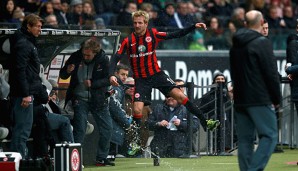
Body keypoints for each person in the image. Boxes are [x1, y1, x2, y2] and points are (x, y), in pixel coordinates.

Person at [109, 10, 219, 133]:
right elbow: (115, 58)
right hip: (141, 79)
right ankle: (135, 141)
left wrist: (193, 26)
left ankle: (206, 122)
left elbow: (175, 34)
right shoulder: (128, 41)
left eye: (140, 23)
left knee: (181, 96)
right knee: (137, 110)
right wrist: (111, 75)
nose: (137, 25)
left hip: (157, 75)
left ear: (146, 23)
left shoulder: (153, 34)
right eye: (135, 23)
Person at [230, 10, 281, 171]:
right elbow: (271, 73)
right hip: (259, 98)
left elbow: (234, 73)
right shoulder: (262, 42)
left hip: (240, 99)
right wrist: (276, 98)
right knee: (270, 135)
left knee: (245, 140)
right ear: (261, 23)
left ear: (245, 24)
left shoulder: (235, 45)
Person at [59, 38, 114, 166]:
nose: (85, 56)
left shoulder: (104, 59)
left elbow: (108, 80)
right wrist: (67, 71)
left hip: (98, 99)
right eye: (84, 54)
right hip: (80, 98)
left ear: (95, 53)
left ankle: (101, 157)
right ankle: (75, 160)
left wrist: (93, 84)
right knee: (80, 128)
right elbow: (63, 75)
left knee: (107, 128)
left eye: (88, 55)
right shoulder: (75, 57)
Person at [8, 14, 43, 157]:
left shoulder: (24, 41)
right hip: (23, 94)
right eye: (38, 26)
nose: (40, 30)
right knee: (22, 129)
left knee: (21, 128)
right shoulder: (24, 44)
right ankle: (19, 161)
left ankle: (16, 160)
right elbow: (20, 71)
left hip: (22, 92)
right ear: (28, 26)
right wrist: (26, 94)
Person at [148, 79, 199, 157]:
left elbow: (195, 126)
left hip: (181, 147)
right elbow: (148, 124)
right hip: (161, 146)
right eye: (168, 96)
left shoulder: (189, 107)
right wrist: (158, 123)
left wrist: (181, 124)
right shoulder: (158, 108)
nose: (170, 98)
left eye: (181, 87)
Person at [199, 72, 233, 153]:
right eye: (218, 79)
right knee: (215, 148)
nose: (220, 81)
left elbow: (231, 112)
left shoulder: (228, 95)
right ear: (213, 82)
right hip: (214, 125)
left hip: (227, 126)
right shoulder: (207, 96)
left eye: (222, 79)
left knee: (227, 148)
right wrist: (207, 123)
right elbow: (201, 111)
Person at [108, 64, 132, 159]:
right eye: (122, 74)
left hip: (113, 127)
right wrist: (126, 122)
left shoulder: (119, 88)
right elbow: (115, 108)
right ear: (116, 73)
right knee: (110, 155)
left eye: (126, 75)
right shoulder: (116, 88)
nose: (124, 77)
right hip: (113, 127)